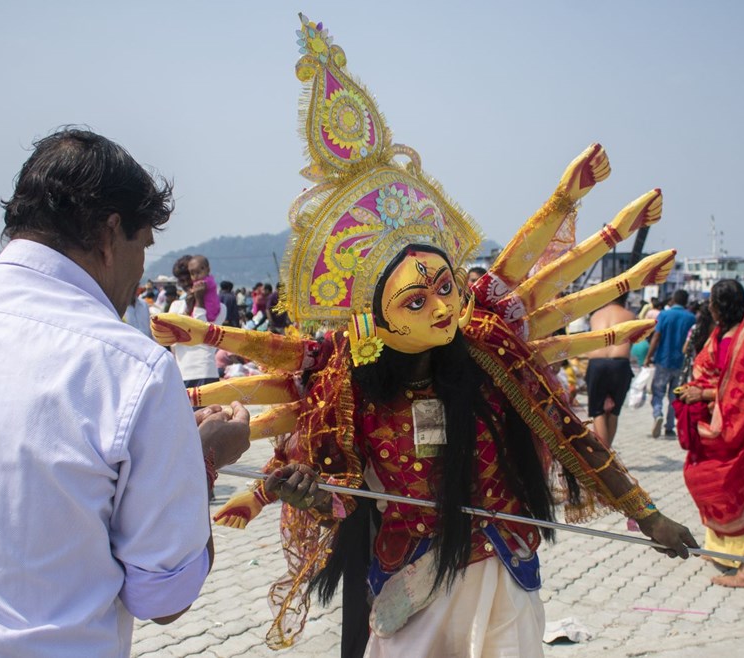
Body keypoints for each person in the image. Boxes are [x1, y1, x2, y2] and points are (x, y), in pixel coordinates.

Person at [152, 17, 695, 655]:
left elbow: (567, 433)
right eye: (416, 299)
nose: (442, 306)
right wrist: (293, 487)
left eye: (444, 285)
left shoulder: (488, 353)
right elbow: (330, 486)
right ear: (375, 320)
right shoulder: (344, 388)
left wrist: (645, 512)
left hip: (504, 576)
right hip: (413, 581)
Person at [0, 128, 251, 656]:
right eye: (144, 245)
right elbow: (163, 596)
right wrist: (200, 460)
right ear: (112, 233)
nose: (140, 272)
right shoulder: (130, 369)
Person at [675, 280, 744, 588]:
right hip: (714, 423)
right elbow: (714, 370)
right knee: (704, 478)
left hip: (738, 427)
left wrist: (705, 394)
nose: (708, 306)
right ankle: (718, 547)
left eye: (712, 301)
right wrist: (699, 391)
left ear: (720, 305)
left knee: (731, 487)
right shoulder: (723, 331)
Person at [584, 294, 636, 448]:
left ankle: (603, 455)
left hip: (597, 363)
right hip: (620, 364)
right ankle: (607, 455)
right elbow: (632, 342)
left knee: (597, 411)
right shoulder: (631, 316)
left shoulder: (596, 315)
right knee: (614, 412)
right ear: (625, 299)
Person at [644, 289, 695, 438]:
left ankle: (657, 413)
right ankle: (669, 426)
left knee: (658, 391)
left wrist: (649, 356)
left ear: (673, 299)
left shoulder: (664, 315)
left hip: (662, 360)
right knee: (675, 395)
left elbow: (656, 337)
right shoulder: (691, 318)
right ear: (686, 302)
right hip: (681, 363)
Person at [169, 255, 225, 388]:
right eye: (181, 281)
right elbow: (172, 339)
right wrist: (188, 310)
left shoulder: (219, 308)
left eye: (188, 278)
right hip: (183, 373)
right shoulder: (177, 306)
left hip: (205, 371)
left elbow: (202, 332)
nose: (186, 284)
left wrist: (199, 301)